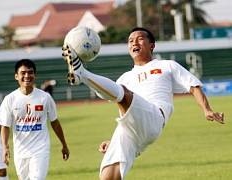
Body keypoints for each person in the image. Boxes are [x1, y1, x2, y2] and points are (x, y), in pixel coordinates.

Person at [62, 27, 225, 180]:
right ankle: (81, 74)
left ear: (152, 45)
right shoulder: (125, 77)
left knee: (123, 94)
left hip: (154, 118)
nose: (134, 42)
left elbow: (194, 87)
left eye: (140, 39)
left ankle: (81, 73)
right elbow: (126, 111)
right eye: (131, 40)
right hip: (129, 130)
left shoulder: (167, 65)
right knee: (108, 176)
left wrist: (207, 109)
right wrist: (114, 140)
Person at [0, 59, 70, 180]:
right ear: (16, 76)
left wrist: (64, 145)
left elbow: (54, 122)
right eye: (23, 73)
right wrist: (5, 147)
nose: (27, 76)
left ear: (35, 75)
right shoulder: (10, 99)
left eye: (30, 72)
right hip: (20, 151)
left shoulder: (45, 98)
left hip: (40, 149)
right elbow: (5, 126)